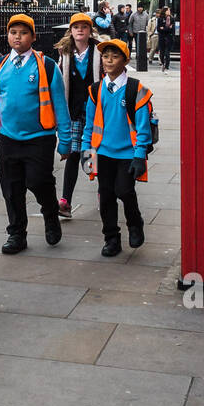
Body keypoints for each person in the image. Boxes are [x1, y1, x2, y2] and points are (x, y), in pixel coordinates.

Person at [0, 14, 72, 254]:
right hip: (7, 138)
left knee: (38, 181)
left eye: (23, 33)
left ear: (33, 37)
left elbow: (60, 105)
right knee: (11, 189)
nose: (17, 37)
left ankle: (50, 215)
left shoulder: (46, 65)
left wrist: (65, 141)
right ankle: (17, 234)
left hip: (39, 138)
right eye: (13, 32)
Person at [78, 38, 152, 256]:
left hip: (128, 153)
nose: (109, 60)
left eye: (115, 56)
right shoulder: (95, 90)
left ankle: (135, 223)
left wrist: (140, 156)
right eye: (106, 56)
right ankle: (111, 238)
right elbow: (89, 125)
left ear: (125, 60)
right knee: (106, 195)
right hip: (102, 152)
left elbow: (143, 127)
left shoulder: (136, 89)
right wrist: (86, 151)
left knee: (125, 190)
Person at [55, 12, 102, 218]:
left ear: (90, 30)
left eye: (84, 26)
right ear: (71, 31)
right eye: (76, 27)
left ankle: (103, 192)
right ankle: (65, 201)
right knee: (74, 154)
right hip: (73, 111)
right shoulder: (65, 54)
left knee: (94, 152)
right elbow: (58, 84)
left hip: (96, 111)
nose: (80, 30)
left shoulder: (99, 51)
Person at [154, 6, 176, 72]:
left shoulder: (172, 19)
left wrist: (164, 28)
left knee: (167, 52)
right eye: (168, 11)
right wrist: (168, 28)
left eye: (169, 11)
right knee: (162, 52)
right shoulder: (160, 19)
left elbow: (172, 29)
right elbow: (159, 29)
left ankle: (167, 66)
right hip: (162, 37)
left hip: (169, 37)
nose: (169, 12)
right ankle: (163, 63)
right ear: (165, 11)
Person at [128, 4, 149, 70]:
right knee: (137, 44)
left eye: (141, 7)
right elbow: (130, 24)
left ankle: (142, 56)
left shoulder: (146, 15)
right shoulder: (133, 15)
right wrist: (130, 32)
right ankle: (138, 55)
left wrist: (147, 32)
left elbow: (148, 24)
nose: (140, 9)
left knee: (143, 45)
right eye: (139, 7)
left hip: (143, 32)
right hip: (135, 32)